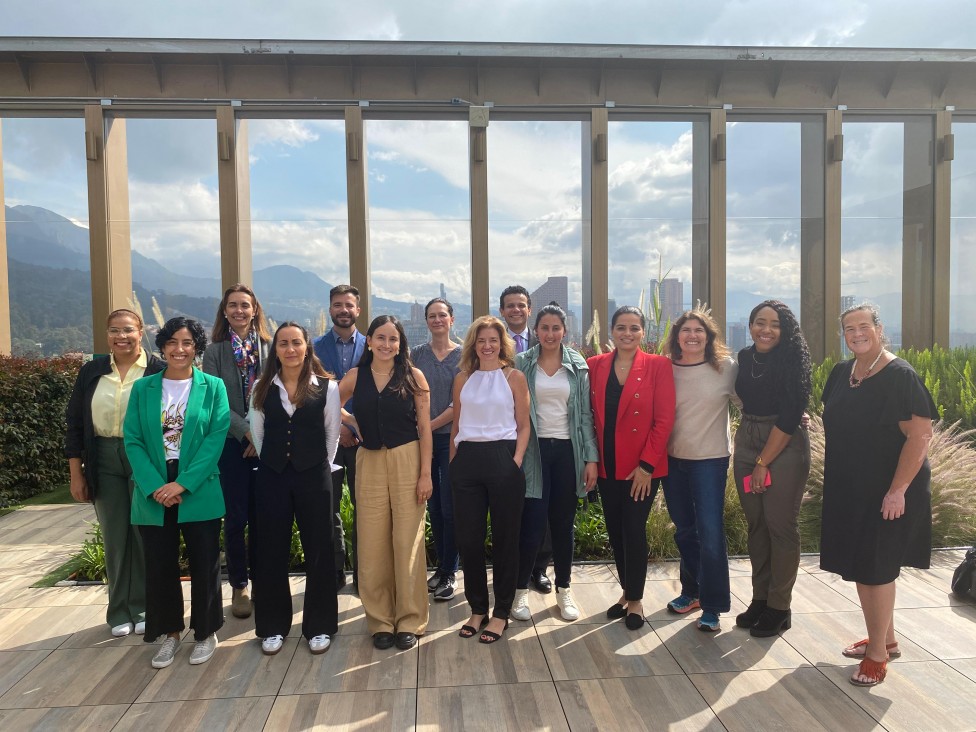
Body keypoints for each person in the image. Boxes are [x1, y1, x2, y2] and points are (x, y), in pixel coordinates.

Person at [820, 304, 936, 687]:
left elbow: (920, 436)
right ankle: (885, 637)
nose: (857, 333)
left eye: (864, 326)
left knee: (878, 567)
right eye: (849, 328)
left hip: (889, 488)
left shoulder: (900, 375)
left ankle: (877, 656)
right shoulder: (842, 373)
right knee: (862, 564)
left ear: (879, 329)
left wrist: (898, 490)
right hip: (851, 487)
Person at [124, 317, 229, 669]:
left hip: (196, 486)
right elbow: (133, 439)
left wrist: (182, 483)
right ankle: (169, 634)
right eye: (173, 342)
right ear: (163, 346)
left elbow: (216, 437)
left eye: (187, 342)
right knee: (159, 565)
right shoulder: (144, 388)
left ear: (196, 347)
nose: (179, 349)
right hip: (154, 487)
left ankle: (205, 632)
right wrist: (157, 486)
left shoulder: (213, 387)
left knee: (205, 563)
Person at [65, 309, 165, 638]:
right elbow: (76, 426)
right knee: (115, 537)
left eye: (127, 330)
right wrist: (76, 473)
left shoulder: (157, 370)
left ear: (141, 332)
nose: (121, 337)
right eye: (113, 331)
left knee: (142, 533)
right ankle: (119, 610)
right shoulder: (92, 372)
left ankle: (144, 607)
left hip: (145, 458)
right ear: (106, 335)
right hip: (103, 457)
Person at [339, 315, 432, 651]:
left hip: (408, 459)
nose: (386, 344)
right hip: (370, 462)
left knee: (408, 540)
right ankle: (380, 620)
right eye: (380, 337)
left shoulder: (413, 376)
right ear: (369, 341)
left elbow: (425, 429)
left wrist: (425, 474)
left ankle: (409, 619)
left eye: (393, 339)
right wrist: (349, 422)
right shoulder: (354, 377)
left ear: (400, 344)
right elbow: (327, 404)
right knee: (373, 541)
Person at [249, 322, 340, 656]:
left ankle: (320, 626)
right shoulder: (261, 386)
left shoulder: (327, 387)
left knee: (319, 549)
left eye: (296, 342)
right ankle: (272, 626)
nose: (290, 349)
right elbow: (258, 434)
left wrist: (318, 465)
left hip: (313, 475)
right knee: (271, 549)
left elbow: (332, 434)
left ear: (307, 347)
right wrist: (275, 461)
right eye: (283, 343)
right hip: (272, 476)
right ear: (276, 350)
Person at [588, 306, 675, 631]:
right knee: (615, 532)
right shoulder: (595, 365)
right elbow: (588, 418)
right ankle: (627, 592)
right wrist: (591, 460)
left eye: (634, 328)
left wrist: (646, 466)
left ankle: (636, 600)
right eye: (621, 327)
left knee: (634, 530)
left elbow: (664, 420)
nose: (627, 333)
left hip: (641, 468)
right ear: (611, 331)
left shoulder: (657, 366)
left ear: (643, 332)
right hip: (607, 466)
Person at [511, 302, 598, 623]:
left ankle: (564, 589)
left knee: (563, 526)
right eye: (544, 328)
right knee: (531, 525)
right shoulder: (522, 363)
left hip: (567, 453)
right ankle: (520, 592)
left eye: (556, 328)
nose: (549, 334)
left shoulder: (578, 366)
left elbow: (586, 416)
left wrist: (591, 458)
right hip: (533, 453)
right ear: (536, 331)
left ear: (565, 331)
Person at [732, 300, 811, 637]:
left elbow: (792, 415)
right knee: (757, 525)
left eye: (775, 324)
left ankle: (780, 606)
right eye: (759, 322)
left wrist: (764, 462)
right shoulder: (745, 358)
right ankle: (760, 599)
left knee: (780, 526)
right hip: (747, 440)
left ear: (786, 330)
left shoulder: (794, 361)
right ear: (750, 326)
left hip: (783, 445)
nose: (766, 329)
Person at [450, 315, 530, 643]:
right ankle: (478, 609)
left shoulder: (514, 377)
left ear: (502, 344)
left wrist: (514, 462)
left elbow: (524, 426)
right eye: (481, 340)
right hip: (467, 461)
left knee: (505, 541)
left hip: (503, 459)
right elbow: (456, 424)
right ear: (473, 344)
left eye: (493, 340)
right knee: (469, 542)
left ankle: (501, 614)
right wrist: (454, 461)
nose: (487, 345)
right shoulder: (462, 379)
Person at [661, 309, 739, 632]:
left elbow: (751, 404)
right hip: (673, 460)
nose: (692, 335)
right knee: (684, 530)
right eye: (686, 330)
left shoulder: (726, 368)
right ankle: (691, 591)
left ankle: (713, 605)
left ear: (709, 336)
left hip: (710, 460)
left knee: (709, 532)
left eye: (699, 330)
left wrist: (795, 417)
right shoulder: (665, 369)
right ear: (676, 336)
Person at [202, 283, 271, 619]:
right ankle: (239, 586)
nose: (239, 311)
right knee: (235, 518)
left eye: (245, 305)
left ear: (255, 309)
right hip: (231, 446)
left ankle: (262, 581)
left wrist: (260, 437)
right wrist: (246, 435)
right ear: (225, 310)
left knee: (263, 518)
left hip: (266, 446)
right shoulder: (214, 352)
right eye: (233, 305)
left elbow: (279, 396)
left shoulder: (270, 348)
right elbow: (215, 401)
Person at [313, 284, 367, 592]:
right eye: (337, 305)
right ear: (330, 309)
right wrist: (343, 426)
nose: (343, 310)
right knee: (327, 507)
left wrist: (353, 429)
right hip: (326, 441)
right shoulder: (316, 348)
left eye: (349, 305)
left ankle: (364, 574)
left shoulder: (372, 347)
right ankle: (334, 571)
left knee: (365, 508)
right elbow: (312, 392)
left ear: (357, 310)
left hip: (364, 442)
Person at [499, 284, 552, 594]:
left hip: (543, 433)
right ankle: (512, 567)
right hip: (504, 434)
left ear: (529, 310)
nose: (516, 310)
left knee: (540, 503)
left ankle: (539, 568)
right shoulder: (493, 343)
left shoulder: (547, 339)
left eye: (521, 305)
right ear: (502, 311)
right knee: (511, 504)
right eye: (510, 306)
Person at [410, 298, 462, 601]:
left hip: (451, 440)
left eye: (442, 315)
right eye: (432, 316)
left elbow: (460, 404)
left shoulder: (463, 357)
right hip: (422, 442)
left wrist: (428, 426)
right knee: (434, 507)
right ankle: (441, 569)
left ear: (452, 320)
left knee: (450, 507)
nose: (437, 320)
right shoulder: (417, 355)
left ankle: (450, 571)